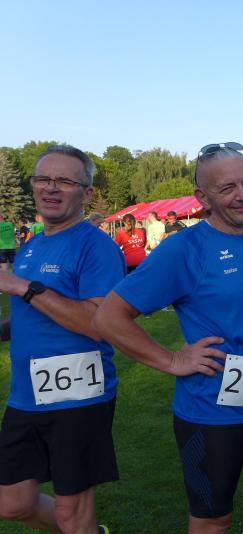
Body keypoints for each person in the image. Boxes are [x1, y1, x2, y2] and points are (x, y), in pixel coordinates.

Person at [94, 142, 243, 534]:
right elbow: (110, 316)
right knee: (213, 521)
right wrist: (172, 360)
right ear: (203, 198)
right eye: (227, 188)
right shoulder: (183, 249)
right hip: (210, 413)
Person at [0, 144, 125, 533]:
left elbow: (99, 323)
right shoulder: (33, 244)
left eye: (64, 181)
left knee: (73, 512)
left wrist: (22, 287)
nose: (50, 188)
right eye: (42, 178)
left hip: (78, 393)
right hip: (26, 395)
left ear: (87, 193)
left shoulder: (97, 247)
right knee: (12, 502)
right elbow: (35, 314)